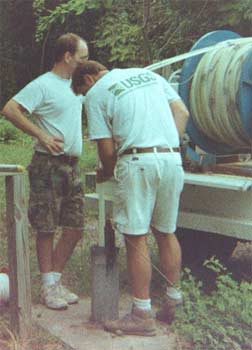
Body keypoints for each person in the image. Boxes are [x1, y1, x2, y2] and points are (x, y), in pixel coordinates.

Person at [71, 61, 189, 336]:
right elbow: (182, 111)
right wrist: (168, 143)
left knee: (136, 237)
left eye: (80, 90)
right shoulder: (148, 75)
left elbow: (106, 147)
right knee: (166, 231)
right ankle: (174, 302)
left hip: (137, 162)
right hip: (171, 159)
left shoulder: (96, 93)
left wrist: (107, 173)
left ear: (88, 79)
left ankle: (141, 313)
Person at [2, 33, 89, 310]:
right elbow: (11, 109)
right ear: (67, 56)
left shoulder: (76, 87)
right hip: (47, 165)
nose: (86, 63)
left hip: (73, 166)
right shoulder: (44, 84)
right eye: (83, 58)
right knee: (46, 226)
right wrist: (42, 135)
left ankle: (56, 280)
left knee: (75, 227)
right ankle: (48, 287)